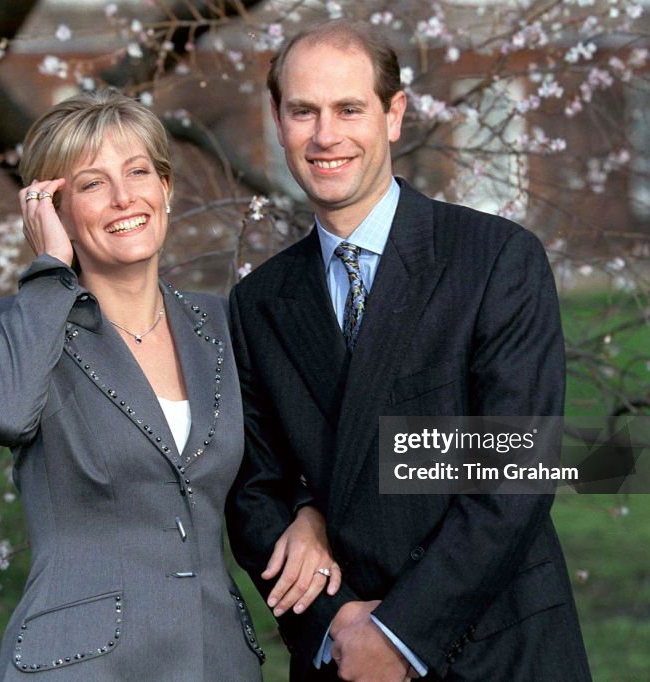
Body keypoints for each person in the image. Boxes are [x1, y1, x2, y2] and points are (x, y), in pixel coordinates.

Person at [226, 20, 592, 682]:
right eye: (303, 111)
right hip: (342, 658)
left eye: (349, 109)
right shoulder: (258, 303)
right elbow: (255, 491)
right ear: (278, 122)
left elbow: (515, 470)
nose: (325, 135)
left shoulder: (495, 260)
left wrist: (399, 634)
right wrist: (335, 621)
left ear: (393, 115)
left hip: (494, 650)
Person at [0, 89, 339, 682]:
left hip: (217, 658)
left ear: (166, 188)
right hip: (81, 666)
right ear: (54, 210)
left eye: (138, 172)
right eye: (92, 184)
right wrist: (50, 271)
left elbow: (278, 465)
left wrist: (309, 514)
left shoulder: (221, 324)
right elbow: (3, 414)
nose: (123, 197)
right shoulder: (12, 329)